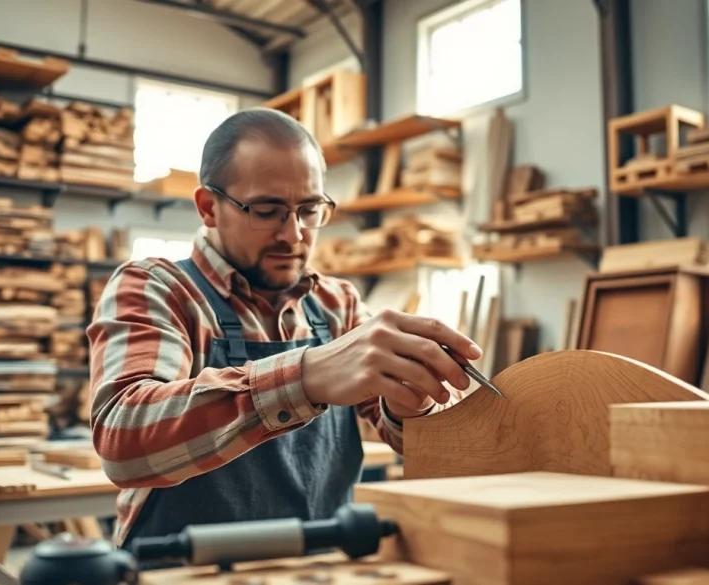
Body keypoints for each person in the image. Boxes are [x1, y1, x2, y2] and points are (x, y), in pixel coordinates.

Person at [86, 108, 482, 552]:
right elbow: (122, 439)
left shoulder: (337, 304)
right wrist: (305, 377)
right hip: (184, 572)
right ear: (208, 207)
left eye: (309, 209)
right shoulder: (159, 288)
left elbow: (407, 436)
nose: (293, 235)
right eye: (267, 210)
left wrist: (412, 407)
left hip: (321, 568)